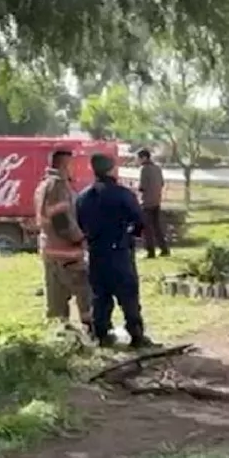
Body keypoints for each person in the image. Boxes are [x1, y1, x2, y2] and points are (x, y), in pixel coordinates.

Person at [76, 153, 154, 348]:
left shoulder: (83, 197)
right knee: (128, 294)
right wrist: (130, 234)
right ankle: (135, 334)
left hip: (96, 252)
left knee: (100, 295)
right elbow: (139, 221)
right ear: (112, 169)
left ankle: (101, 334)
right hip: (119, 251)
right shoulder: (123, 194)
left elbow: (79, 223)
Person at [33, 148, 92, 333]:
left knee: (56, 296)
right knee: (85, 292)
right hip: (67, 252)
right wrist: (79, 238)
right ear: (64, 165)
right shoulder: (58, 186)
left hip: (49, 249)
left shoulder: (43, 185)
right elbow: (61, 219)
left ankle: (59, 332)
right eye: (71, 165)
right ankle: (92, 329)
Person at [136, 148, 170, 258]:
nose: (138, 160)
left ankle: (151, 252)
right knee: (157, 227)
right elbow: (162, 183)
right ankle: (164, 249)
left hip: (147, 202)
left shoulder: (144, 169)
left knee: (147, 229)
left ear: (144, 158)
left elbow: (142, 187)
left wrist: (138, 189)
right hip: (156, 201)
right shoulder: (157, 168)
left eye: (139, 158)